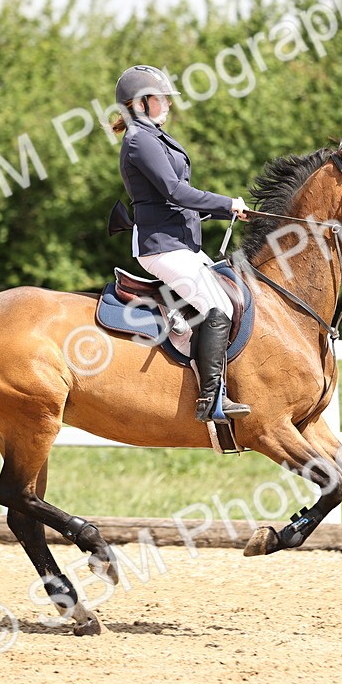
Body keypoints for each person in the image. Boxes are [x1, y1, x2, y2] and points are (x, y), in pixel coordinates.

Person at [111, 64, 251, 422]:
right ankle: (210, 399)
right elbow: (175, 191)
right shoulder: (140, 140)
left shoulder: (152, 136)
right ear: (142, 104)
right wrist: (227, 203)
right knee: (218, 305)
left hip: (180, 241)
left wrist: (228, 213)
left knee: (233, 293)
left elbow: (173, 200)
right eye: (163, 98)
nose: (170, 104)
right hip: (162, 246)